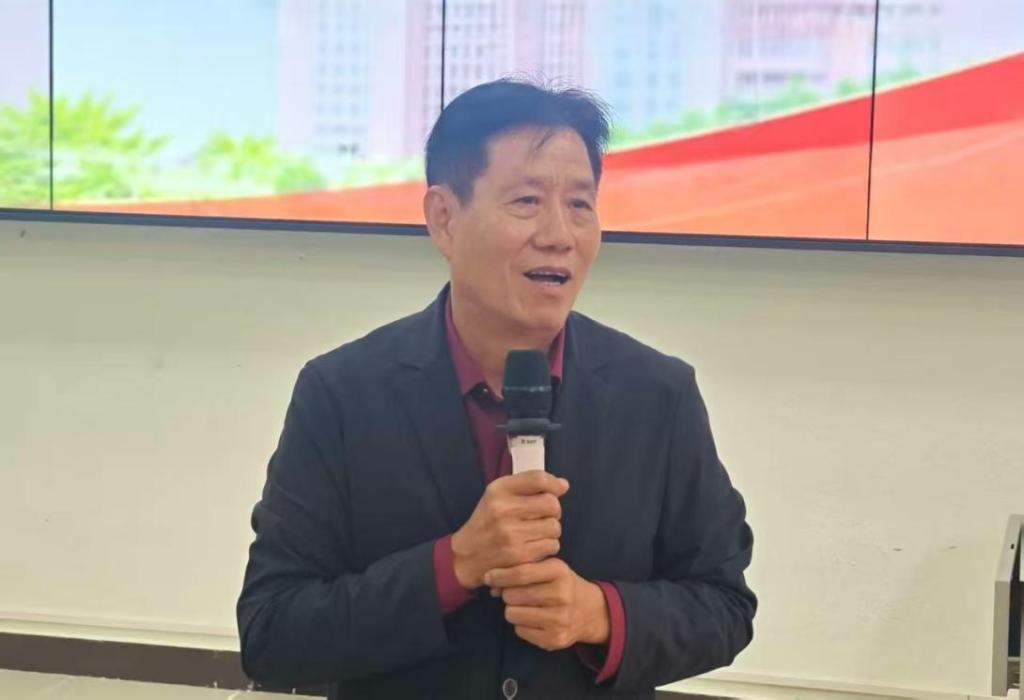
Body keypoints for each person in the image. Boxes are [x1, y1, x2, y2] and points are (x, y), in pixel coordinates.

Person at [237, 79, 756, 700]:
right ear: (444, 219)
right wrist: (454, 564)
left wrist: (600, 614)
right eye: (527, 201)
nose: (560, 234)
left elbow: (725, 605)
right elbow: (272, 634)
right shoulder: (343, 394)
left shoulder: (657, 395)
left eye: (580, 204)